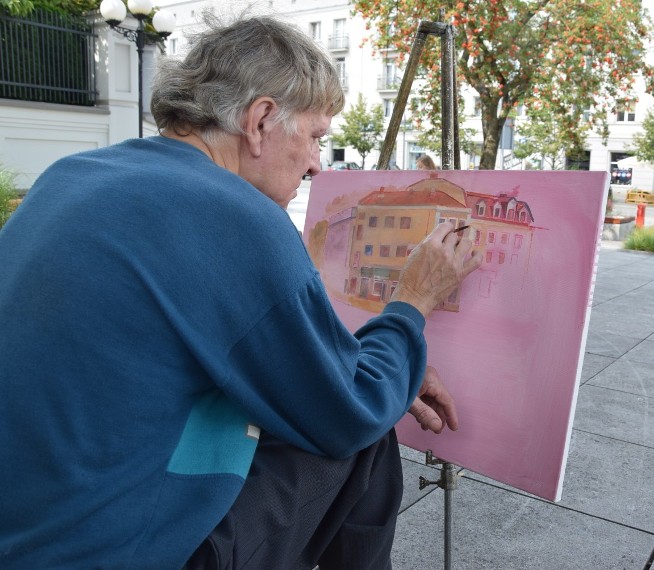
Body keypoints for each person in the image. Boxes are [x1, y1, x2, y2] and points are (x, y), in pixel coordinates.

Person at [0, 14, 482, 569]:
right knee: (363, 434)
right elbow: (349, 410)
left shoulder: (71, 175)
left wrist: (356, 360)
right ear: (260, 121)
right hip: (116, 551)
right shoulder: (232, 214)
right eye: (316, 137)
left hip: (25, 531)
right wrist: (411, 304)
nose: (315, 164)